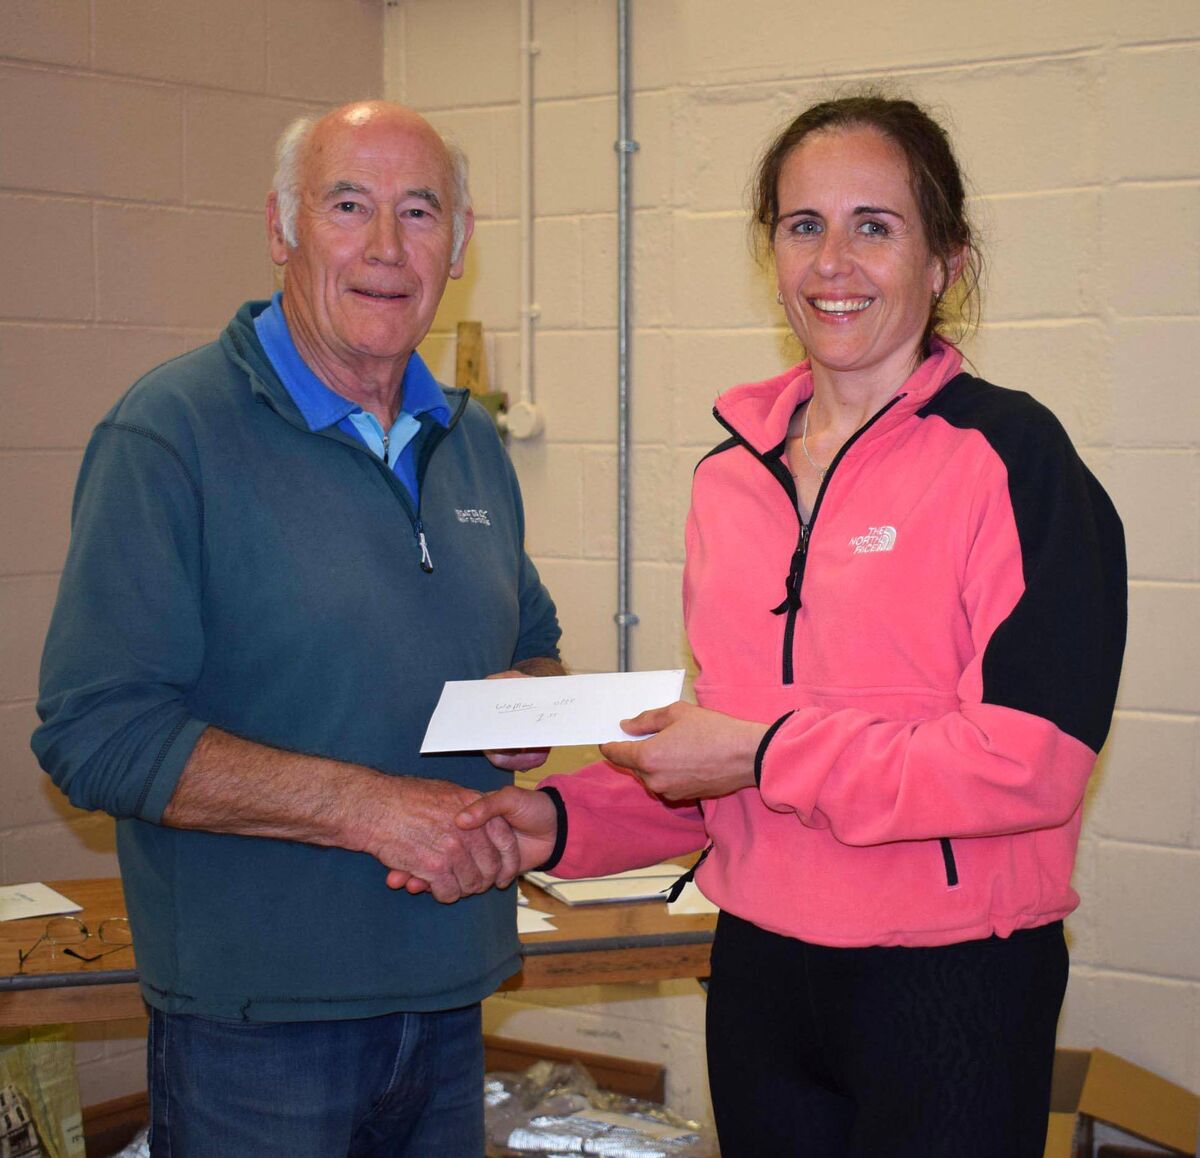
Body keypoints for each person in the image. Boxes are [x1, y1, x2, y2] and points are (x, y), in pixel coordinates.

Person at [457, 94, 1127, 1157]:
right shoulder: (730, 479)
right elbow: (722, 767)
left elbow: (1032, 762)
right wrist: (559, 826)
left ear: (946, 258)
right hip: (763, 973)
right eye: (802, 225)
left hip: (950, 979)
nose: (833, 262)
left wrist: (761, 748)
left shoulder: (1013, 460)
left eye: (875, 225)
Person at [33, 101, 563, 1157]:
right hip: (257, 1034)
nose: (383, 247)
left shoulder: (467, 441)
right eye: (347, 205)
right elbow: (92, 731)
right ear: (282, 230)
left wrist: (526, 698)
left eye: (419, 212)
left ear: (458, 247)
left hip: (454, 996)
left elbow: (535, 635)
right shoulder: (170, 434)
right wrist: (368, 810)